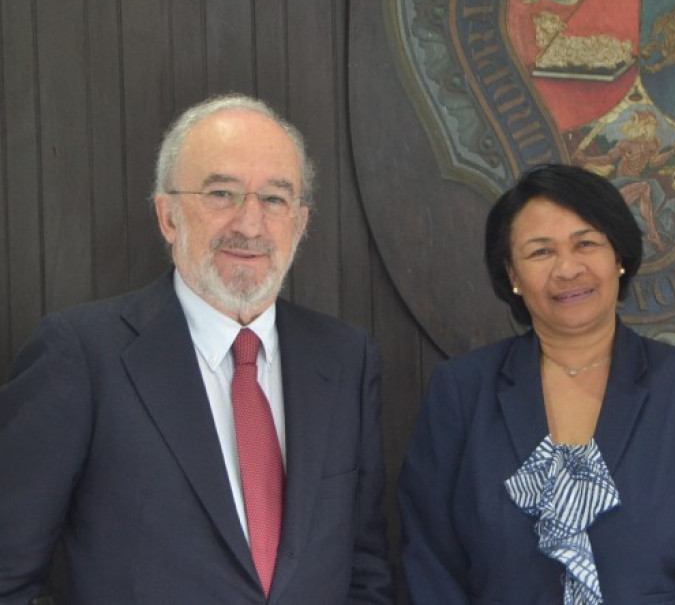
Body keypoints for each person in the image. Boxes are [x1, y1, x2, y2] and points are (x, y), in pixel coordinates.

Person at [0, 94, 395, 604]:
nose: (250, 225)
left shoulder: (345, 359)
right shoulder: (81, 356)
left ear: (300, 222)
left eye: (275, 199)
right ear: (167, 216)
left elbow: (364, 567)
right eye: (222, 194)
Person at [398, 164, 675, 604]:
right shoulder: (460, 392)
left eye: (585, 243)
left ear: (619, 257)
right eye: (541, 252)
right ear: (512, 274)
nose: (568, 269)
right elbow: (431, 560)